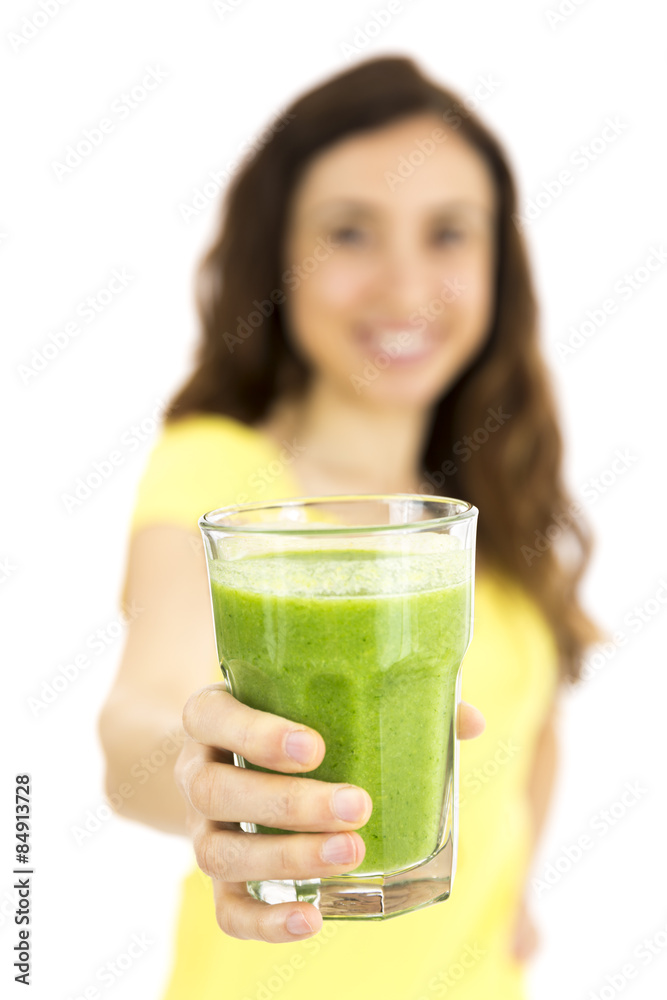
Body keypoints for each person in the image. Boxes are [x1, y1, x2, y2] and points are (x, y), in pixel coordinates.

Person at [98, 55, 601, 999]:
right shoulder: (224, 474)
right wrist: (206, 775)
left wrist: (521, 899)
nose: (405, 284)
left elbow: (526, 729)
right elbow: (138, 723)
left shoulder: (481, 503)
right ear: (277, 257)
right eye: (350, 233)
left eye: (448, 233)